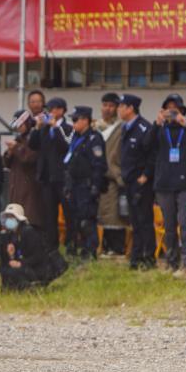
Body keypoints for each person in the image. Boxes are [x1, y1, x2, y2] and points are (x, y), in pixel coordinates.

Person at [146, 93, 186, 278]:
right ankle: (172, 262)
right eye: (168, 109)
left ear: (181, 111)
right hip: (164, 184)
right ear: (163, 111)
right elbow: (145, 145)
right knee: (169, 225)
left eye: (175, 109)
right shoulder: (159, 129)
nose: (172, 113)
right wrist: (156, 123)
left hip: (185, 184)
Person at [62, 106, 107, 260]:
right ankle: (77, 249)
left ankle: (90, 252)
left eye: (76, 120)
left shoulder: (94, 138)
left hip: (87, 186)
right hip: (74, 184)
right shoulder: (76, 137)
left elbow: (99, 165)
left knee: (87, 220)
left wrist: (95, 186)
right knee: (75, 220)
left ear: (85, 120)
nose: (73, 123)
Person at [116, 94, 155, 270]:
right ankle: (136, 256)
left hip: (141, 182)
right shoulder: (126, 127)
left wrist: (145, 175)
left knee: (144, 220)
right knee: (135, 221)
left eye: (121, 106)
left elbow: (152, 155)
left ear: (131, 108)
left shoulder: (144, 128)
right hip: (129, 181)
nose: (119, 109)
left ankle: (148, 257)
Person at [28, 97, 71, 250]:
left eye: (53, 109)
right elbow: (33, 145)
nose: (50, 113)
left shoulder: (68, 128)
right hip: (47, 177)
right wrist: (37, 128)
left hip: (62, 177)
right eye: (48, 110)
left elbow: (65, 147)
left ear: (61, 110)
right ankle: (51, 246)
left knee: (68, 213)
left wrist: (55, 127)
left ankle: (70, 244)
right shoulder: (44, 128)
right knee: (49, 214)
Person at [0, 203, 66, 291]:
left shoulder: (28, 232)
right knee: (6, 269)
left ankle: (33, 285)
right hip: (26, 266)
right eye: (7, 217)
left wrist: (21, 263)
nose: (8, 220)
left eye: (11, 217)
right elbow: (18, 256)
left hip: (37, 269)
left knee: (14, 271)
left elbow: (38, 257)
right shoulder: (13, 235)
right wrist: (12, 255)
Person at [94, 93, 127, 256]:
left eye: (111, 106)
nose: (107, 109)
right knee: (100, 213)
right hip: (96, 177)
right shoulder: (95, 126)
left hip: (114, 176)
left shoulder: (122, 128)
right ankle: (103, 245)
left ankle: (116, 247)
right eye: (105, 105)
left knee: (115, 214)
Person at [3, 109, 43, 231]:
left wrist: (16, 148)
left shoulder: (34, 138)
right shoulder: (18, 139)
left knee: (29, 216)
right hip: (16, 184)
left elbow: (30, 158)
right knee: (14, 218)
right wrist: (9, 153)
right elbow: (6, 164)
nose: (18, 128)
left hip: (30, 184)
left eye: (20, 125)